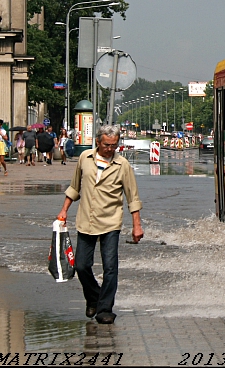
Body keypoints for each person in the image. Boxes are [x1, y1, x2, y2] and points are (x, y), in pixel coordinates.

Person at [56, 124, 143, 324]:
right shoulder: (84, 159)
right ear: (98, 142)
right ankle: (94, 297)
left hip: (111, 221)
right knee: (81, 266)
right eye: (106, 145)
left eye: (114, 145)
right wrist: (64, 211)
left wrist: (136, 225)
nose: (110, 149)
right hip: (86, 219)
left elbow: (133, 198)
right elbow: (74, 187)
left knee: (110, 267)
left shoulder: (123, 166)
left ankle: (105, 309)